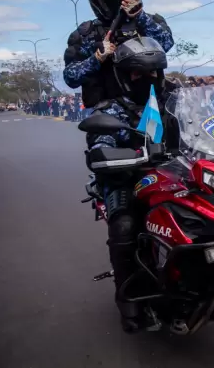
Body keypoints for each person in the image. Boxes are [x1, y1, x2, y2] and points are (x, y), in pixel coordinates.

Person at [83, 36, 175, 332]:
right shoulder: (110, 110)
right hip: (128, 179)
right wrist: (122, 156)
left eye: (153, 72)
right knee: (124, 225)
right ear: (124, 77)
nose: (147, 78)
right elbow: (100, 142)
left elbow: (209, 119)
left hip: (176, 175)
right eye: (138, 73)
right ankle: (130, 301)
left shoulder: (174, 98)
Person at [63, 0, 174, 108]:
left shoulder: (149, 22)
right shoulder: (87, 33)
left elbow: (166, 44)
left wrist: (140, 16)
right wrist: (96, 59)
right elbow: (70, 77)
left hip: (155, 106)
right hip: (111, 112)